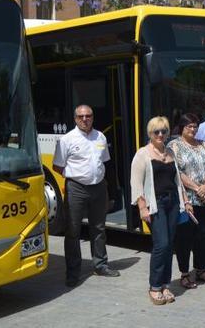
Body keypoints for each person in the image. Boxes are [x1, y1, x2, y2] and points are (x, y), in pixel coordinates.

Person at [54, 104, 120, 287]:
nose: (85, 119)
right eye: (81, 116)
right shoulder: (66, 139)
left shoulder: (100, 136)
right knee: (73, 231)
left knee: (98, 228)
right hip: (77, 188)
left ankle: (100, 265)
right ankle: (73, 273)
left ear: (92, 117)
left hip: (99, 188)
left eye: (88, 116)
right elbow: (57, 166)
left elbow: (105, 162)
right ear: (75, 119)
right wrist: (76, 177)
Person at [130, 116, 191, 304]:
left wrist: (185, 201)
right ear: (150, 133)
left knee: (169, 244)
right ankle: (154, 286)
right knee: (161, 244)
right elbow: (136, 182)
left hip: (173, 202)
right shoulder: (143, 154)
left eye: (164, 131)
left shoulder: (170, 152)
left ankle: (165, 284)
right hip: (155, 204)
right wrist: (142, 207)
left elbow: (177, 181)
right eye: (156, 131)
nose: (160, 135)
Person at [170, 113, 205, 287]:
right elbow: (177, 172)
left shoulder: (204, 145)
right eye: (189, 126)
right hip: (187, 200)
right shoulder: (174, 146)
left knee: (203, 236)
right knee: (185, 238)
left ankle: (200, 269)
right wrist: (196, 187)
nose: (192, 129)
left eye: (195, 126)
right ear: (181, 128)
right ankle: (184, 273)